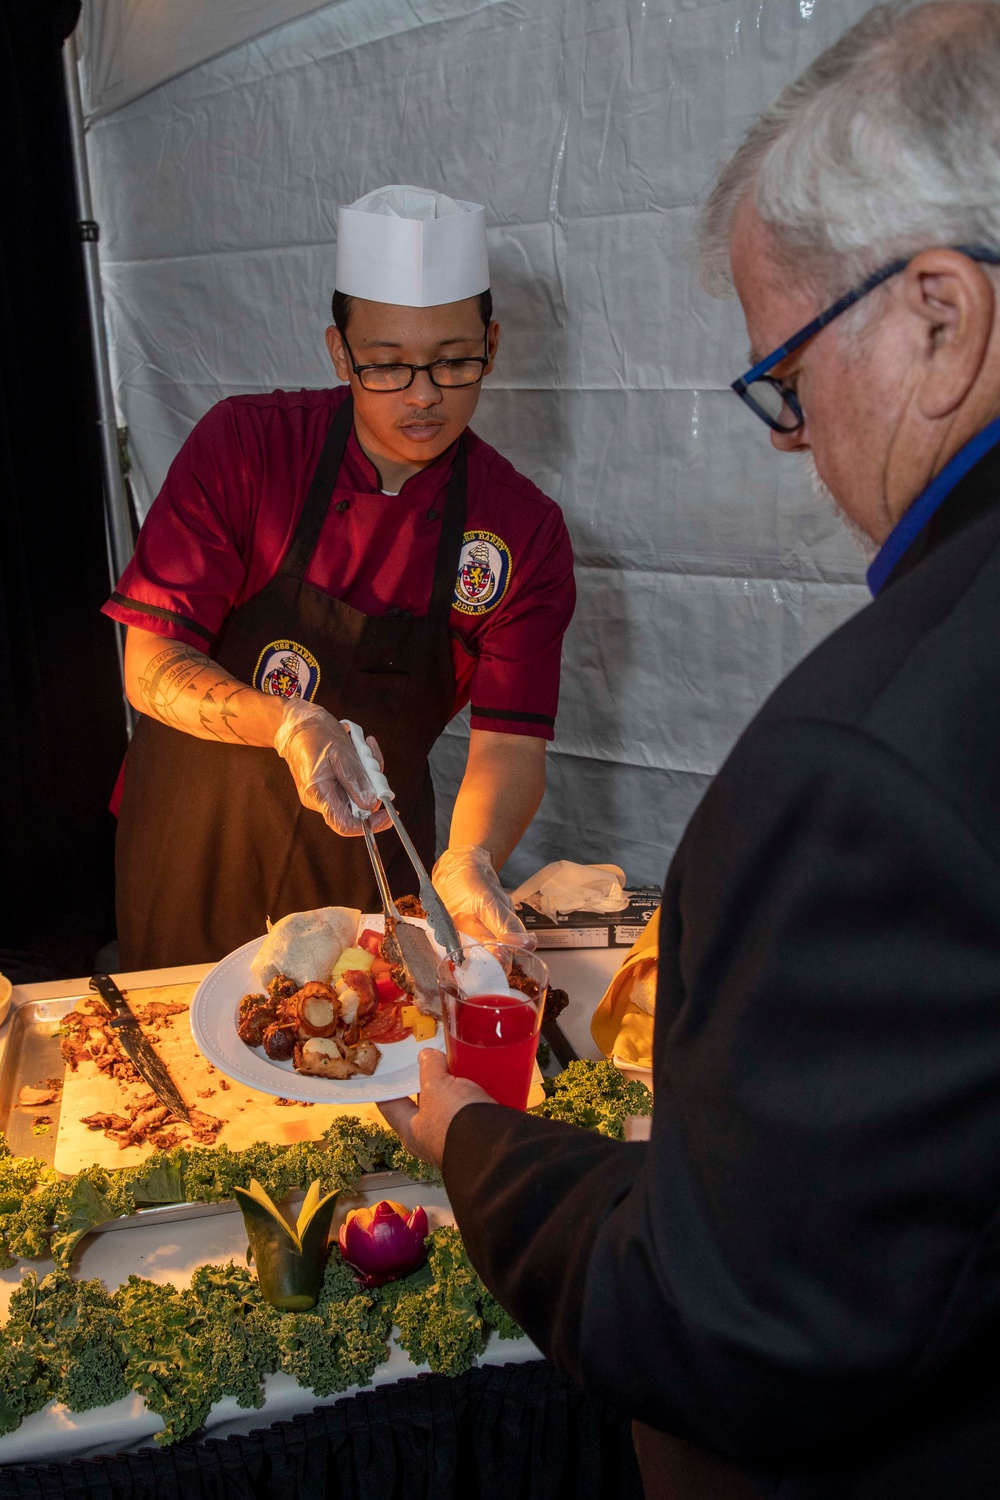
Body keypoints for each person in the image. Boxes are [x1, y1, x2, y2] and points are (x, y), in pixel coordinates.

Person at [380, 3, 1000, 1495]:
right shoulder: (250, 450)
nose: (795, 444)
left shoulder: (872, 762)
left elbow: (732, 1317)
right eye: (393, 365)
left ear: (940, 316)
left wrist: (473, 1121)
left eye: (785, 380)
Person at [103, 185, 574, 969]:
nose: (424, 396)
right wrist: (289, 723)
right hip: (193, 839)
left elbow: (510, 741)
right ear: (338, 353)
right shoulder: (248, 448)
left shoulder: (522, 530)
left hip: (369, 867)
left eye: (454, 361)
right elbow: (148, 668)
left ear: (491, 346)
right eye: (387, 366)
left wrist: (471, 856)